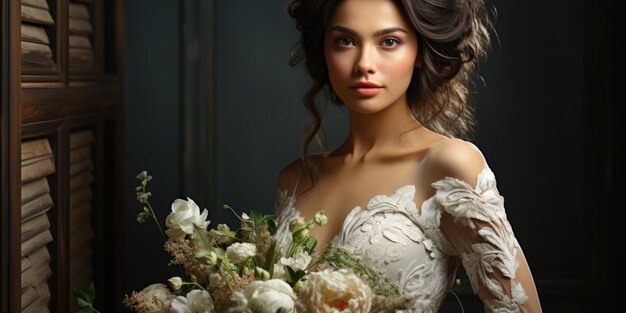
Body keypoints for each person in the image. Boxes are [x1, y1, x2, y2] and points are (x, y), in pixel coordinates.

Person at [273, 0, 542, 312]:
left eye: (389, 41)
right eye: (345, 41)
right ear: (324, 49)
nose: (364, 63)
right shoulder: (295, 179)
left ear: (418, 52)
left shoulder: (448, 166)